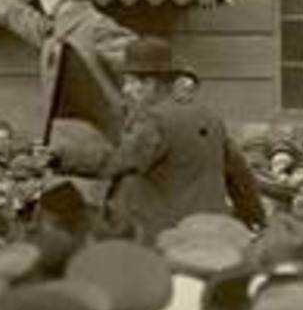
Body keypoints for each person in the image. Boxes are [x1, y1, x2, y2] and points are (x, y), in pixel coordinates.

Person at [102, 37, 265, 239]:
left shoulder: (152, 120)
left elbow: (114, 164)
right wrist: (256, 219)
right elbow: (240, 177)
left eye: (130, 82)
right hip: (212, 237)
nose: (125, 90)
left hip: (168, 241)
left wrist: (63, 156)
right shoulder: (210, 117)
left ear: (149, 84)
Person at [0, 0, 136, 146]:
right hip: (68, 145)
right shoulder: (57, 30)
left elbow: (146, 66)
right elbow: (25, 19)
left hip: (99, 145)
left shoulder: (97, 27)